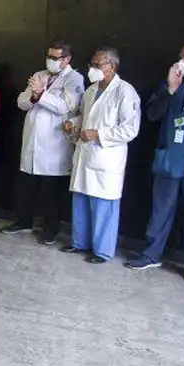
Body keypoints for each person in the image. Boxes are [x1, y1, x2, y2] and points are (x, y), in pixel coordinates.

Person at [125, 43, 184, 286]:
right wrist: (169, 89)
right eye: (180, 57)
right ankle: (151, 254)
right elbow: (152, 115)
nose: (181, 62)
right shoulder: (174, 81)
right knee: (160, 211)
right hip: (170, 160)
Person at [61, 47, 141, 264]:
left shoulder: (125, 92)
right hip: (86, 154)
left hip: (107, 157)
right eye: (92, 64)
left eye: (98, 65)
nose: (92, 69)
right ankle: (80, 243)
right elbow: (85, 118)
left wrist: (98, 134)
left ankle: (102, 251)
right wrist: (72, 124)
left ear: (112, 67)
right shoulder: (90, 91)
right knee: (81, 200)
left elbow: (130, 129)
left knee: (103, 205)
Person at [0, 40, 85, 243]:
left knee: (51, 194)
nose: (51, 61)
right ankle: (23, 221)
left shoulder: (75, 79)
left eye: (55, 58)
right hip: (31, 144)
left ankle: (51, 229)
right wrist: (33, 96)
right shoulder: (40, 75)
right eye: (49, 56)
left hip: (54, 146)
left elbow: (65, 106)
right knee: (25, 188)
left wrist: (41, 94)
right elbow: (21, 101)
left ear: (67, 59)